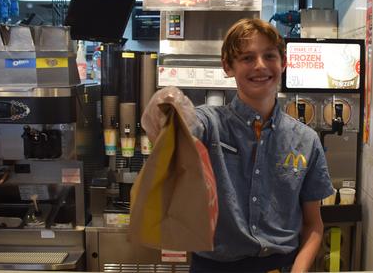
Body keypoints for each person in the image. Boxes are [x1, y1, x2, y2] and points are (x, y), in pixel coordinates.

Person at [142, 18, 334, 272]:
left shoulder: (305, 140)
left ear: (284, 63)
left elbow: (313, 225)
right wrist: (164, 107)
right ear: (227, 66)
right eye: (247, 58)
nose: (260, 66)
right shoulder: (209, 124)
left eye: (269, 56)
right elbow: (174, 131)